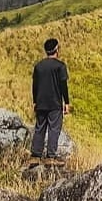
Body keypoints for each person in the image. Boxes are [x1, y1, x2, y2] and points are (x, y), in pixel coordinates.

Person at [28, 37, 70, 167]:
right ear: (57, 49)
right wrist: (66, 102)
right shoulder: (60, 66)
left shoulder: (38, 66)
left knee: (39, 128)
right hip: (54, 103)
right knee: (54, 129)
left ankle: (35, 156)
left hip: (41, 102)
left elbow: (34, 85)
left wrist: (35, 101)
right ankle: (50, 157)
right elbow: (63, 85)